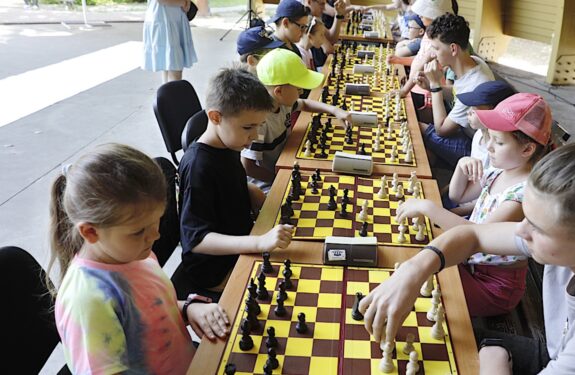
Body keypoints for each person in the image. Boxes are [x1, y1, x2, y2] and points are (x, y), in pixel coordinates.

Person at [359, 140, 575, 374]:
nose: (520, 232)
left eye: (536, 227)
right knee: (470, 346)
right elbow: (474, 234)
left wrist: (492, 361)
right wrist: (414, 270)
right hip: (563, 351)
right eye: (525, 218)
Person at [49, 144, 230, 374]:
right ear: (90, 232)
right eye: (139, 231)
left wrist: (187, 310)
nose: (156, 235)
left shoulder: (133, 253)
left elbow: (145, 313)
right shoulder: (88, 301)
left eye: (157, 221)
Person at [396, 93, 552, 317]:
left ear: (527, 149)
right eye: (488, 137)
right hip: (467, 261)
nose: (488, 146)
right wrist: (461, 165)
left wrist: (428, 208)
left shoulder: (522, 195)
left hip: (493, 284)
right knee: (409, 268)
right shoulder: (500, 172)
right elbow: (458, 195)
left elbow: (475, 236)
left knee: (419, 297)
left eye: (498, 142)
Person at [179, 67, 294, 293]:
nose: (254, 136)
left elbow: (226, 186)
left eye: (259, 126)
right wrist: (258, 243)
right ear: (215, 117)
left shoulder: (229, 142)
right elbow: (197, 240)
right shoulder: (198, 167)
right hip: (216, 269)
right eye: (248, 127)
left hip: (242, 240)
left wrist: (252, 192)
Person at [241, 49, 351, 190]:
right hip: (266, 183)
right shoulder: (260, 122)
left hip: (286, 162)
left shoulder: (282, 102)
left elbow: (304, 103)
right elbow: (248, 167)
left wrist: (335, 110)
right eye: (298, 89)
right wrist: (280, 179)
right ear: (279, 91)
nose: (301, 92)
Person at [417, 13, 495, 170]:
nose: (432, 54)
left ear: (453, 49)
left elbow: (441, 130)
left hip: (474, 147)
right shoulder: (473, 62)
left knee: (415, 127)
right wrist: (429, 86)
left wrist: (435, 85)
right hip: (462, 131)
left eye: (436, 48)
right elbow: (457, 92)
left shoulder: (476, 83)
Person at [445, 79, 517, 216]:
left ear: (492, 111)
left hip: (472, 211)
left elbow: (482, 202)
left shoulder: (500, 156)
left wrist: (450, 213)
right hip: (461, 195)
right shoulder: (479, 134)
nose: (469, 112)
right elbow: (468, 176)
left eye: (475, 107)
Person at [142, 0, 198, 83]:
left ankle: (168, 94)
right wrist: (184, 3)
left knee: (169, 65)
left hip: (171, 18)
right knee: (174, 67)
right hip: (165, 20)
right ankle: (173, 94)